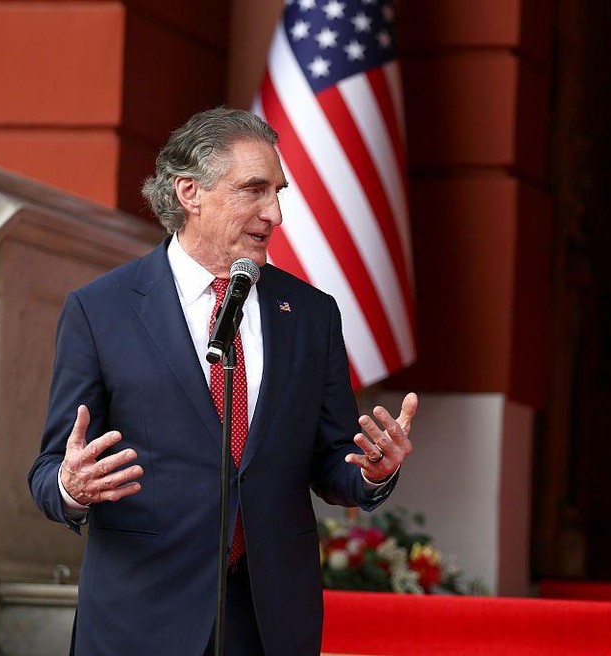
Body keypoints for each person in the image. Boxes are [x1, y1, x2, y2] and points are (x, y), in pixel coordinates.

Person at [28, 107, 417, 655]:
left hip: (269, 618)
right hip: (141, 618)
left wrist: (370, 472)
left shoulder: (310, 314)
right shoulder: (101, 311)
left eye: (278, 192)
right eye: (254, 190)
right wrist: (71, 487)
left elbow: (332, 464)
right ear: (190, 192)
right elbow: (48, 472)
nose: (275, 213)